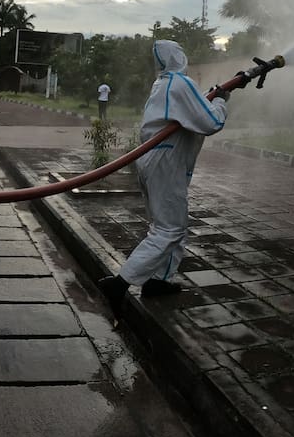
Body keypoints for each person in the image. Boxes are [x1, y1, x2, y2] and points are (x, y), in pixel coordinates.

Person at [97, 40, 240, 301]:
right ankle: (120, 283)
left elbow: (190, 109)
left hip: (154, 161)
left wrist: (212, 95)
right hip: (165, 162)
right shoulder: (180, 83)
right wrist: (220, 101)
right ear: (177, 56)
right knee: (168, 229)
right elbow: (211, 122)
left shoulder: (163, 84)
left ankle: (159, 280)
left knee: (172, 226)